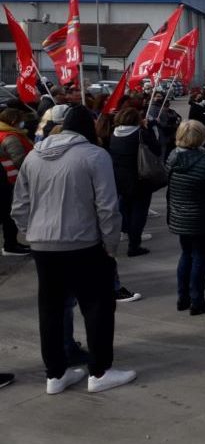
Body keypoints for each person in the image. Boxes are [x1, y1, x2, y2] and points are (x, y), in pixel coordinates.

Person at [12, 105, 137, 394]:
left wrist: (32, 233)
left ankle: (55, 374)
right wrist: (111, 245)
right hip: (84, 243)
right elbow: (108, 206)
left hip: (44, 246)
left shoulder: (33, 155)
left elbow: (19, 205)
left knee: (51, 309)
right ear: (89, 129)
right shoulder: (95, 155)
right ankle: (100, 371)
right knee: (97, 307)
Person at [166, 120, 205, 315]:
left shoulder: (172, 157)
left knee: (186, 254)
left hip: (180, 214)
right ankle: (197, 300)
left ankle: (183, 297)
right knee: (201, 257)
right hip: (203, 216)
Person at [110, 107, 161, 257]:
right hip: (140, 177)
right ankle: (134, 244)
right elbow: (157, 149)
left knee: (125, 208)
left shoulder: (114, 134)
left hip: (120, 178)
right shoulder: (140, 134)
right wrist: (148, 129)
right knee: (139, 211)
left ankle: (125, 231)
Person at [0, 107, 33, 256]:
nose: (23, 124)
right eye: (21, 121)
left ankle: (11, 244)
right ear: (14, 121)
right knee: (10, 214)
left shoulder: (3, 133)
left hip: (6, 179)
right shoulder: (11, 138)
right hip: (11, 180)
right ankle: (11, 245)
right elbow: (20, 160)